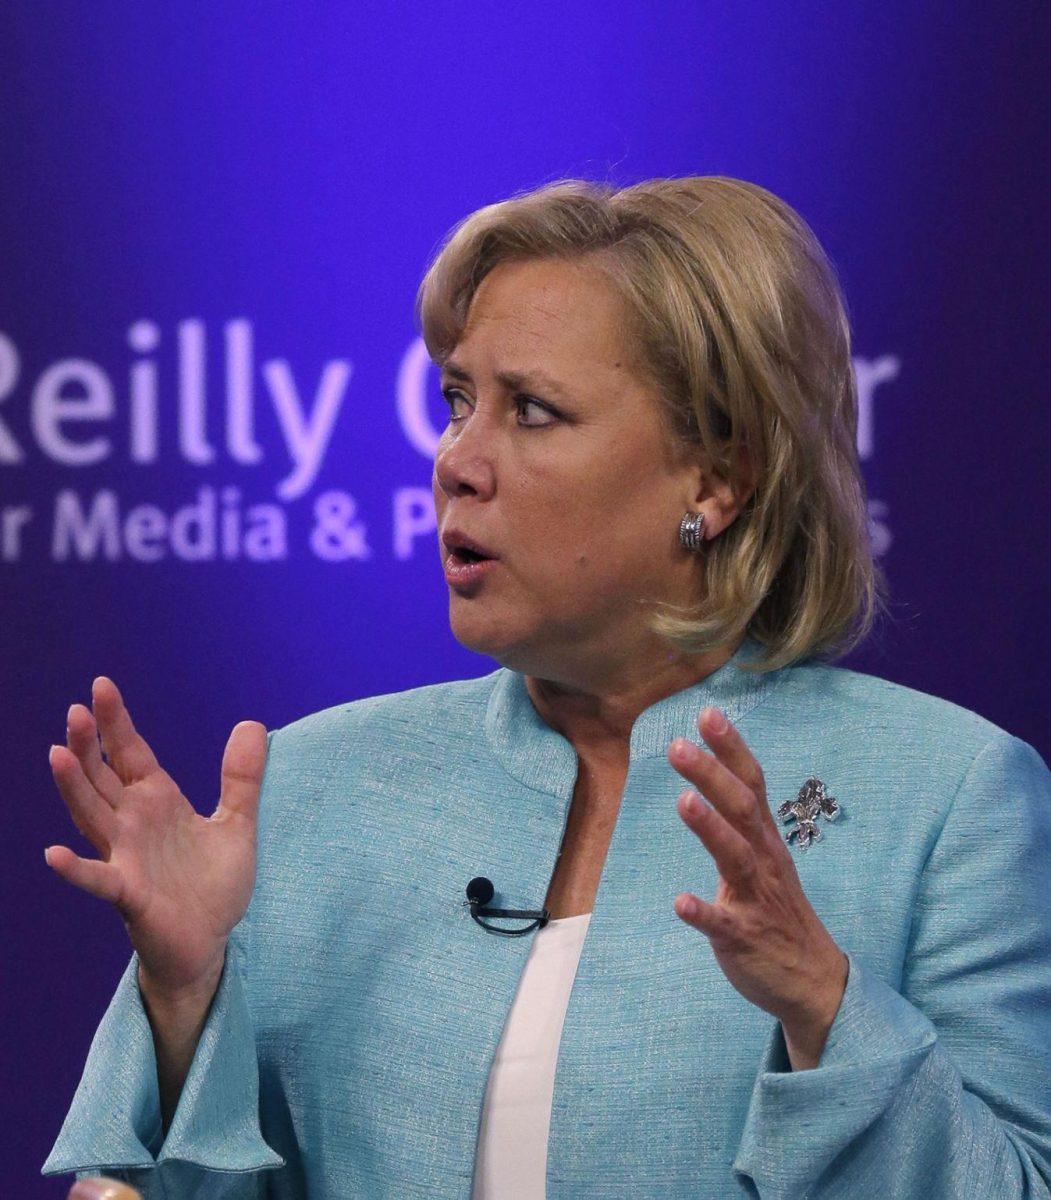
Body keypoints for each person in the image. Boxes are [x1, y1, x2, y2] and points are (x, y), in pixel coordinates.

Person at [42, 177, 1051, 1199]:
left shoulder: (949, 798)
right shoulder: (308, 792)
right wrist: (182, 1003)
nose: (457, 462)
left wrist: (827, 1007)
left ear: (715, 479)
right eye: (457, 401)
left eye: (532, 410)